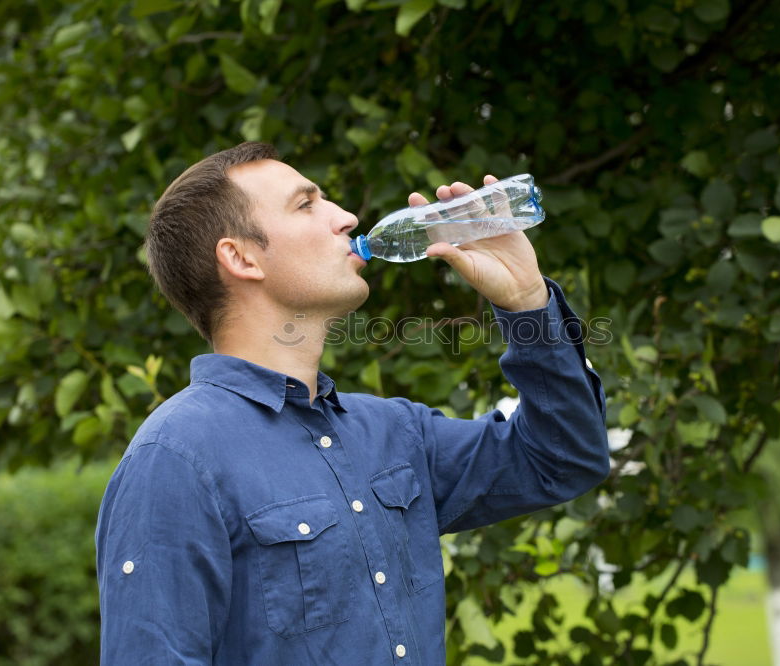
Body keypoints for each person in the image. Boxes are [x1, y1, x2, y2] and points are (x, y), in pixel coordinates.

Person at [95, 142, 610, 665]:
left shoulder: (393, 432)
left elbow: (563, 458)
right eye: (306, 204)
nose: (346, 217)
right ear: (240, 257)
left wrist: (526, 305)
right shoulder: (176, 457)